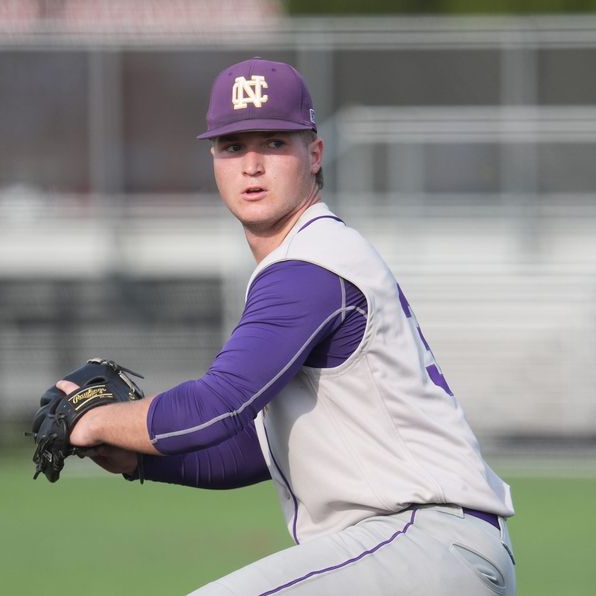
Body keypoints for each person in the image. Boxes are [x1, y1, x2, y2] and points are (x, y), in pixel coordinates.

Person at [58, 57, 516, 595]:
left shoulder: (310, 266)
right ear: (214, 161)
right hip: (421, 551)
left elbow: (215, 407)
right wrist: (136, 458)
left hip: (421, 540)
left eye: (274, 143)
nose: (252, 165)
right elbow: (254, 446)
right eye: (233, 147)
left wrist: (95, 421)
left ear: (314, 154)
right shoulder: (309, 260)